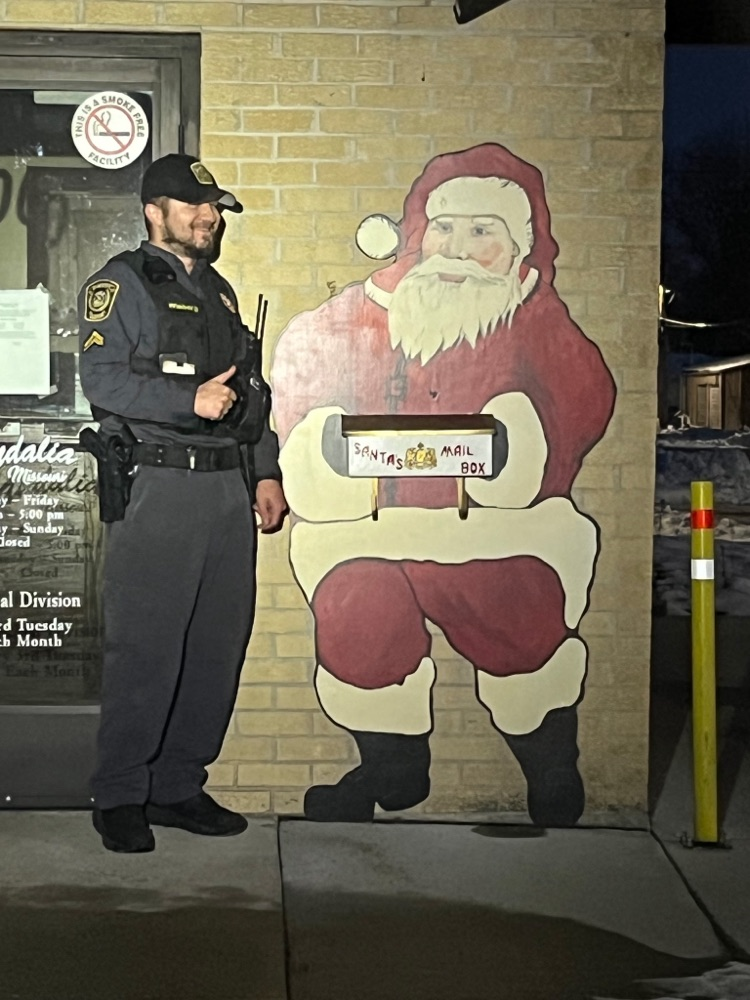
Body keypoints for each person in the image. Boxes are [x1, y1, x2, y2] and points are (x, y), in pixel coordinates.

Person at [270, 143, 616, 827]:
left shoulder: (535, 319)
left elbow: (586, 396)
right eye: (446, 227)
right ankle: (391, 769)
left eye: (483, 230)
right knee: (356, 614)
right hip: (373, 531)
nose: (458, 247)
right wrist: (319, 441)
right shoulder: (360, 312)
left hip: (494, 531)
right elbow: (301, 364)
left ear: (519, 247)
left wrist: (521, 447)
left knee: (519, 615)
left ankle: (549, 763)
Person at [78, 153, 286, 853]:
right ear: (153, 210)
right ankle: (120, 794)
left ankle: (175, 785)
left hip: (226, 493)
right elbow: (102, 381)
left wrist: (264, 471)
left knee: (214, 648)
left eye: (216, 208)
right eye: (196, 206)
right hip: (159, 489)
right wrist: (184, 401)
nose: (210, 217)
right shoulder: (123, 284)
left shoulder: (221, 293)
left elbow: (250, 395)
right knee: (147, 649)